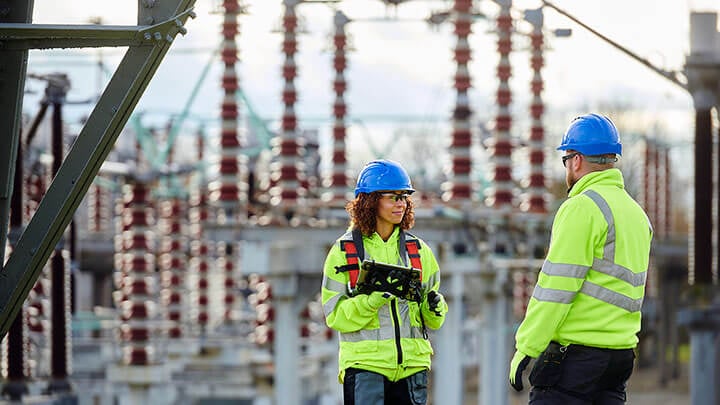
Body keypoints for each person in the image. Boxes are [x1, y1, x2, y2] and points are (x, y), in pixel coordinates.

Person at [509, 113, 653, 404]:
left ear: (576, 160)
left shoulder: (582, 207)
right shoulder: (638, 216)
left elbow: (555, 289)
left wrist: (526, 347)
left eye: (566, 159)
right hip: (620, 359)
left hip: (575, 362)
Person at [321, 159, 448, 405]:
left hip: (413, 368)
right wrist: (371, 302)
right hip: (366, 367)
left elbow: (433, 320)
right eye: (393, 197)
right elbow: (335, 315)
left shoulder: (420, 252)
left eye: (404, 197)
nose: (400, 203)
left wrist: (434, 306)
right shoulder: (345, 252)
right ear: (370, 201)